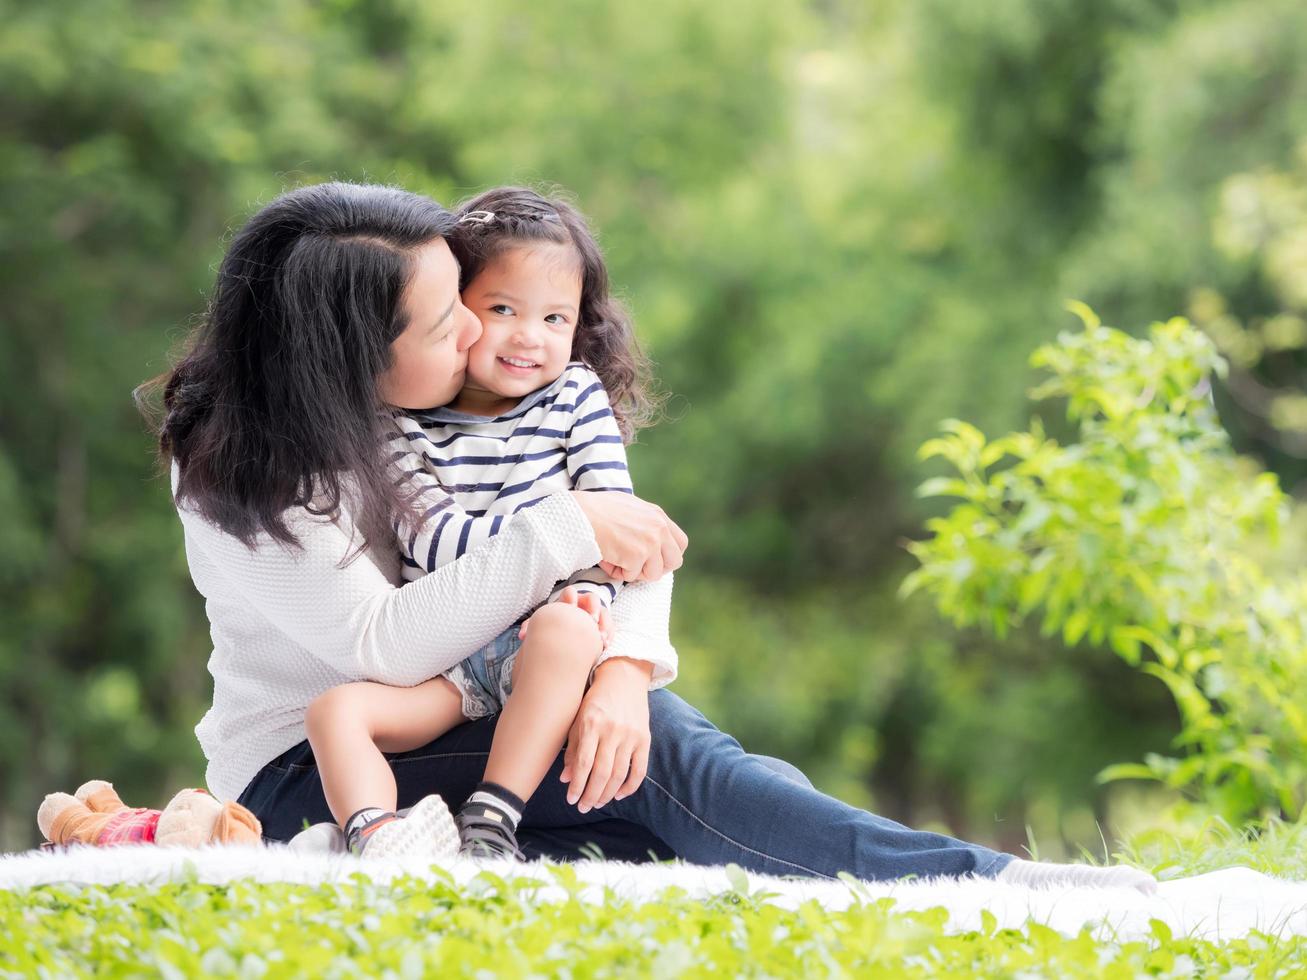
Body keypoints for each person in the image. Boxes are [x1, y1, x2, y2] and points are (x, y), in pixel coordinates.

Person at [141, 181, 1155, 892]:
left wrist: (624, 667)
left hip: (495, 699)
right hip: (314, 768)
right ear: (353, 354)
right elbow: (384, 642)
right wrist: (567, 527)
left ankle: (942, 874)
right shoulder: (244, 469)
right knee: (675, 768)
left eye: (463, 295)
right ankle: (991, 882)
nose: (474, 330)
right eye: (445, 317)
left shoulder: (456, 404)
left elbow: (627, 527)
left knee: (691, 782)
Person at [303, 188, 670, 861]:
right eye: (502, 309)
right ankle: (375, 837)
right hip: (448, 661)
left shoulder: (575, 397)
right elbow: (434, 543)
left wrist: (586, 587)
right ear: (457, 313)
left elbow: (615, 519)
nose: (529, 336)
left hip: (546, 641)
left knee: (565, 627)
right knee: (334, 712)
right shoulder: (397, 426)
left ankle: (490, 819)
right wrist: (565, 528)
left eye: (555, 318)